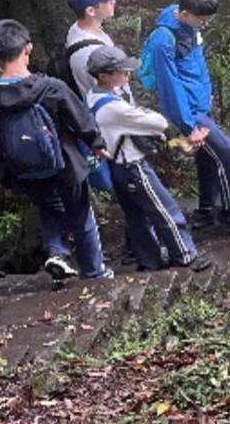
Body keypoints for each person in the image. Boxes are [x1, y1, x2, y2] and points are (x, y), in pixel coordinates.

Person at [0, 19, 112, 280]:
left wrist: (7, 179)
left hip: (25, 169)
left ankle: (57, 253)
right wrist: (97, 144)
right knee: (81, 216)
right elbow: (80, 119)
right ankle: (95, 273)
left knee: (49, 209)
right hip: (66, 163)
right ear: (28, 48)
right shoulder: (50, 87)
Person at [85, 46, 210, 274]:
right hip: (133, 167)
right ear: (103, 76)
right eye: (121, 71)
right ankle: (185, 255)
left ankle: (149, 259)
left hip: (116, 168)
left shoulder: (93, 96)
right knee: (165, 209)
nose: (127, 75)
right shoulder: (115, 108)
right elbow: (158, 123)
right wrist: (141, 112)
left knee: (137, 217)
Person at [145, 0, 230, 236]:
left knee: (208, 159)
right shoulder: (163, 40)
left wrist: (208, 93)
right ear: (184, 13)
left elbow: (199, 63)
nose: (204, 24)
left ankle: (206, 210)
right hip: (189, 111)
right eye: (201, 19)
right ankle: (229, 212)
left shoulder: (191, 30)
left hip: (201, 104)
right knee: (229, 154)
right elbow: (169, 85)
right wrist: (189, 126)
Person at [64, 0, 124, 99]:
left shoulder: (77, 29)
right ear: (91, 11)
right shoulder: (89, 52)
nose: (113, 1)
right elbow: (110, 95)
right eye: (106, 0)